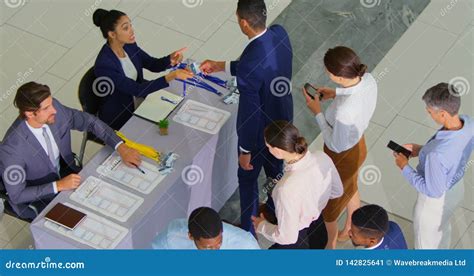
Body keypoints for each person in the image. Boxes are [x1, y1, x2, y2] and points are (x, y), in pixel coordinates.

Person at [199, 0, 293, 234]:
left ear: (243, 22)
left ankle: (249, 231)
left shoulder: (251, 64)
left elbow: (249, 113)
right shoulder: (279, 33)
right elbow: (257, 64)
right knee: (276, 171)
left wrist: (245, 150)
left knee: (248, 180)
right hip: (283, 121)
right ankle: (274, 210)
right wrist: (220, 65)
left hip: (261, 133)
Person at [0, 82, 141, 220]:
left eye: (51, 104)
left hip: (68, 174)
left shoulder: (56, 110)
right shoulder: (12, 149)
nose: (53, 110)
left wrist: (120, 147)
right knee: (89, 221)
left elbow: (89, 122)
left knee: (116, 201)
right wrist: (59, 185)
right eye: (46, 108)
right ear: (30, 114)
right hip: (41, 197)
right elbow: (17, 195)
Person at [303, 46, 377, 248]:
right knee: (351, 185)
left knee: (330, 207)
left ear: (336, 75)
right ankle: (349, 228)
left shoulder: (345, 111)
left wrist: (317, 112)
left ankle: (331, 245)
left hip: (342, 156)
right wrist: (336, 93)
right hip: (359, 146)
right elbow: (355, 93)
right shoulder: (368, 79)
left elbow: (334, 144)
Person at [392, 83, 473, 249]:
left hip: (434, 204)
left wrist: (404, 166)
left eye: (429, 111)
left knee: (425, 245)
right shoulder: (468, 122)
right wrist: (422, 151)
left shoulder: (436, 155)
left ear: (442, 114)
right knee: (444, 228)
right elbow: (452, 152)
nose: (428, 114)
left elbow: (432, 191)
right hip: (456, 188)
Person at [92, 9, 194, 130]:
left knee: (179, 115)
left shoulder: (129, 46)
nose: (132, 30)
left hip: (141, 101)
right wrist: (172, 76)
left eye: (131, 25)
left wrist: (170, 60)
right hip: (121, 116)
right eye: (126, 28)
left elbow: (152, 64)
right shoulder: (104, 65)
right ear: (112, 34)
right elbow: (137, 90)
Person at [251, 121, 343, 249]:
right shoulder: (322, 157)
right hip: (318, 229)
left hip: (296, 242)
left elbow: (287, 237)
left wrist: (261, 226)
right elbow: (337, 191)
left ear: (277, 151)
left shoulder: (285, 189)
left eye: (268, 146)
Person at [152, 207, 260, 250]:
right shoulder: (171, 237)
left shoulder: (246, 245)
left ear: (222, 231)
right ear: (191, 236)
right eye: (207, 248)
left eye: (219, 244)